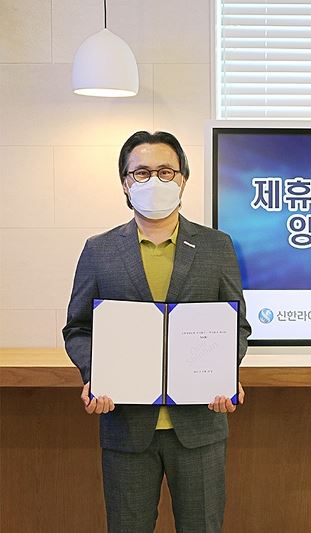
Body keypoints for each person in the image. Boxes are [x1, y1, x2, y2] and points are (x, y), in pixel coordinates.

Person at [63, 130, 251, 533]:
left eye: (166, 171)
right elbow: (78, 327)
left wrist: (225, 372)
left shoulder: (217, 246)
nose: (154, 181)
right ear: (125, 183)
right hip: (125, 425)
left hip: (200, 423)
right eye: (142, 172)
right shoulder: (99, 250)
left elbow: (236, 323)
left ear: (183, 179)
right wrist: (95, 374)